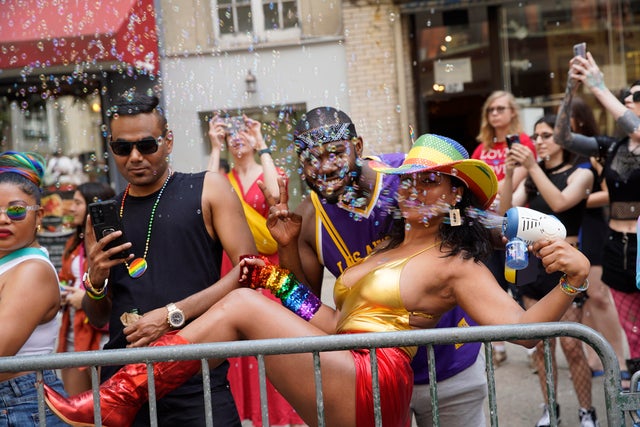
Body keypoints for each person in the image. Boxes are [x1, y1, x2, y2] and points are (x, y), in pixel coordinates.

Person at [43, 133, 591, 427]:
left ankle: (120, 397)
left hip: (378, 376)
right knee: (252, 291)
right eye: (410, 180)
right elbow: (333, 322)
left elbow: (521, 331)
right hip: (347, 361)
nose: (414, 189)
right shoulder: (388, 249)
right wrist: (275, 272)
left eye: (432, 183)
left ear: (456, 195)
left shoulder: (456, 261)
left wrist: (571, 283)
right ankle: (121, 399)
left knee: (239, 310)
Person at [271, 106, 487, 427]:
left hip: (449, 366)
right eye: (311, 159)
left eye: (335, 152)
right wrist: (285, 245)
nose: (325, 167)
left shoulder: (407, 176)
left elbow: (471, 220)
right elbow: (306, 308)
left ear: (358, 147)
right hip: (375, 377)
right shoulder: (309, 218)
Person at [77, 93, 257, 426]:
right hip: (123, 387)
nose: (134, 157)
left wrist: (172, 316)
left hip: (196, 378)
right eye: (121, 148)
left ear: (168, 141)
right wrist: (96, 281)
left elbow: (252, 273)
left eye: (146, 145)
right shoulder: (103, 216)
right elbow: (98, 315)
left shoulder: (208, 188)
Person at [500, 114, 598, 427]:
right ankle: (549, 408)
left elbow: (559, 203)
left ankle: (587, 411)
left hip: (567, 268)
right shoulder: (531, 176)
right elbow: (507, 214)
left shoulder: (581, 173)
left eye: (547, 135)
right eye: (536, 135)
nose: (539, 141)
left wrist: (530, 166)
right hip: (534, 268)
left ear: (564, 138)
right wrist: (510, 172)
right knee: (540, 345)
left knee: (571, 344)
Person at [207, 115, 304, 427]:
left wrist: (263, 143)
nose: (238, 139)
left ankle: (279, 414)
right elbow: (205, 200)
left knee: (273, 339)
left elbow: (275, 194)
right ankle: (252, 413)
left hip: (269, 266)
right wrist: (214, 147)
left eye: (244, 134)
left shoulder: (267, 170)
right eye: (231, 136)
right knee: (240, 343)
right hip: (235, 266)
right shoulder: (223, 178)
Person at [556, 51, 640, 378]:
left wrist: (599, 87)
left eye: (638, 96)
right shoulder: (613, 147)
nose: (632, 101)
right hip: (618, 246)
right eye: (630, 97)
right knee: (632, 332)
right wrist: (570, 90)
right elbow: (563, 137)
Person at [0, 151, 69, 426]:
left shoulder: (33, 270)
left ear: (38, 215)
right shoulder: (9, 262)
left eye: (15, 210)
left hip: (19, 405)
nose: (3, 219)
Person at [564, 96, 629, 379]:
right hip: (571, 228)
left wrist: (577, 199)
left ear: (579, 120)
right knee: (585, 295)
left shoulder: (596, 151)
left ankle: (621, 360)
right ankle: (593, 356)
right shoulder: (564, 154)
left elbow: (612, 193)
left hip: (592, 226)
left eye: (566, 117)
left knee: (599, 295)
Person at [473, 90, 537, 366]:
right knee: (493, 284)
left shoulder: (523, 143)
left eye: (501, 108)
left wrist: (490, 191)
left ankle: (533, 348)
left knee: (521, 282)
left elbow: (516, 181)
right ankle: (498, 346)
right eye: (491, 110)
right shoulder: (481, 148)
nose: (495, 114)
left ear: (513, 112)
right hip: (486, 227)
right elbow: (474, 183)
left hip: (516, 225)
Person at [57, 182, 115, 395]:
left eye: (78, 203)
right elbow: (66, 277)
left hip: (98, 338)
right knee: (76, 408)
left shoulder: (109, 244)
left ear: (93, 206)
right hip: (72, 333)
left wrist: (84, 298)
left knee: (103, 408)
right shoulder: (73, 242)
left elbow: (116, 288)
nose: (71, 208)